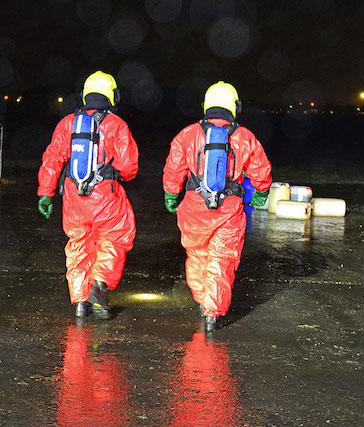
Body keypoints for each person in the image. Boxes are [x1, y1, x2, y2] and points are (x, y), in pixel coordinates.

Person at [163, 81, 272, 331]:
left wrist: (171, 194)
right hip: (229, 210)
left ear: (206, 106)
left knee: (198, 256)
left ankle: (204, 302)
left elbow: (173, 168)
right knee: (221, 259)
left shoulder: (188, 134)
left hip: (193, 207)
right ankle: (213, 313)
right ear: (235, 107)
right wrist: (261, 193)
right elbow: (261, 170)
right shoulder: (244, 137)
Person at [37, 71, 139, 320]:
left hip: (73, 195)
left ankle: (81, 301)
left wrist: (46, 193)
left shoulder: (67, 123)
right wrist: (120, 176)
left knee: (78, 244)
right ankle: (100, 283)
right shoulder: (116, 125)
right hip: (104, 193)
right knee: (115, 237)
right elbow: (129, 166)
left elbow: (53, 159)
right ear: (112, 95)